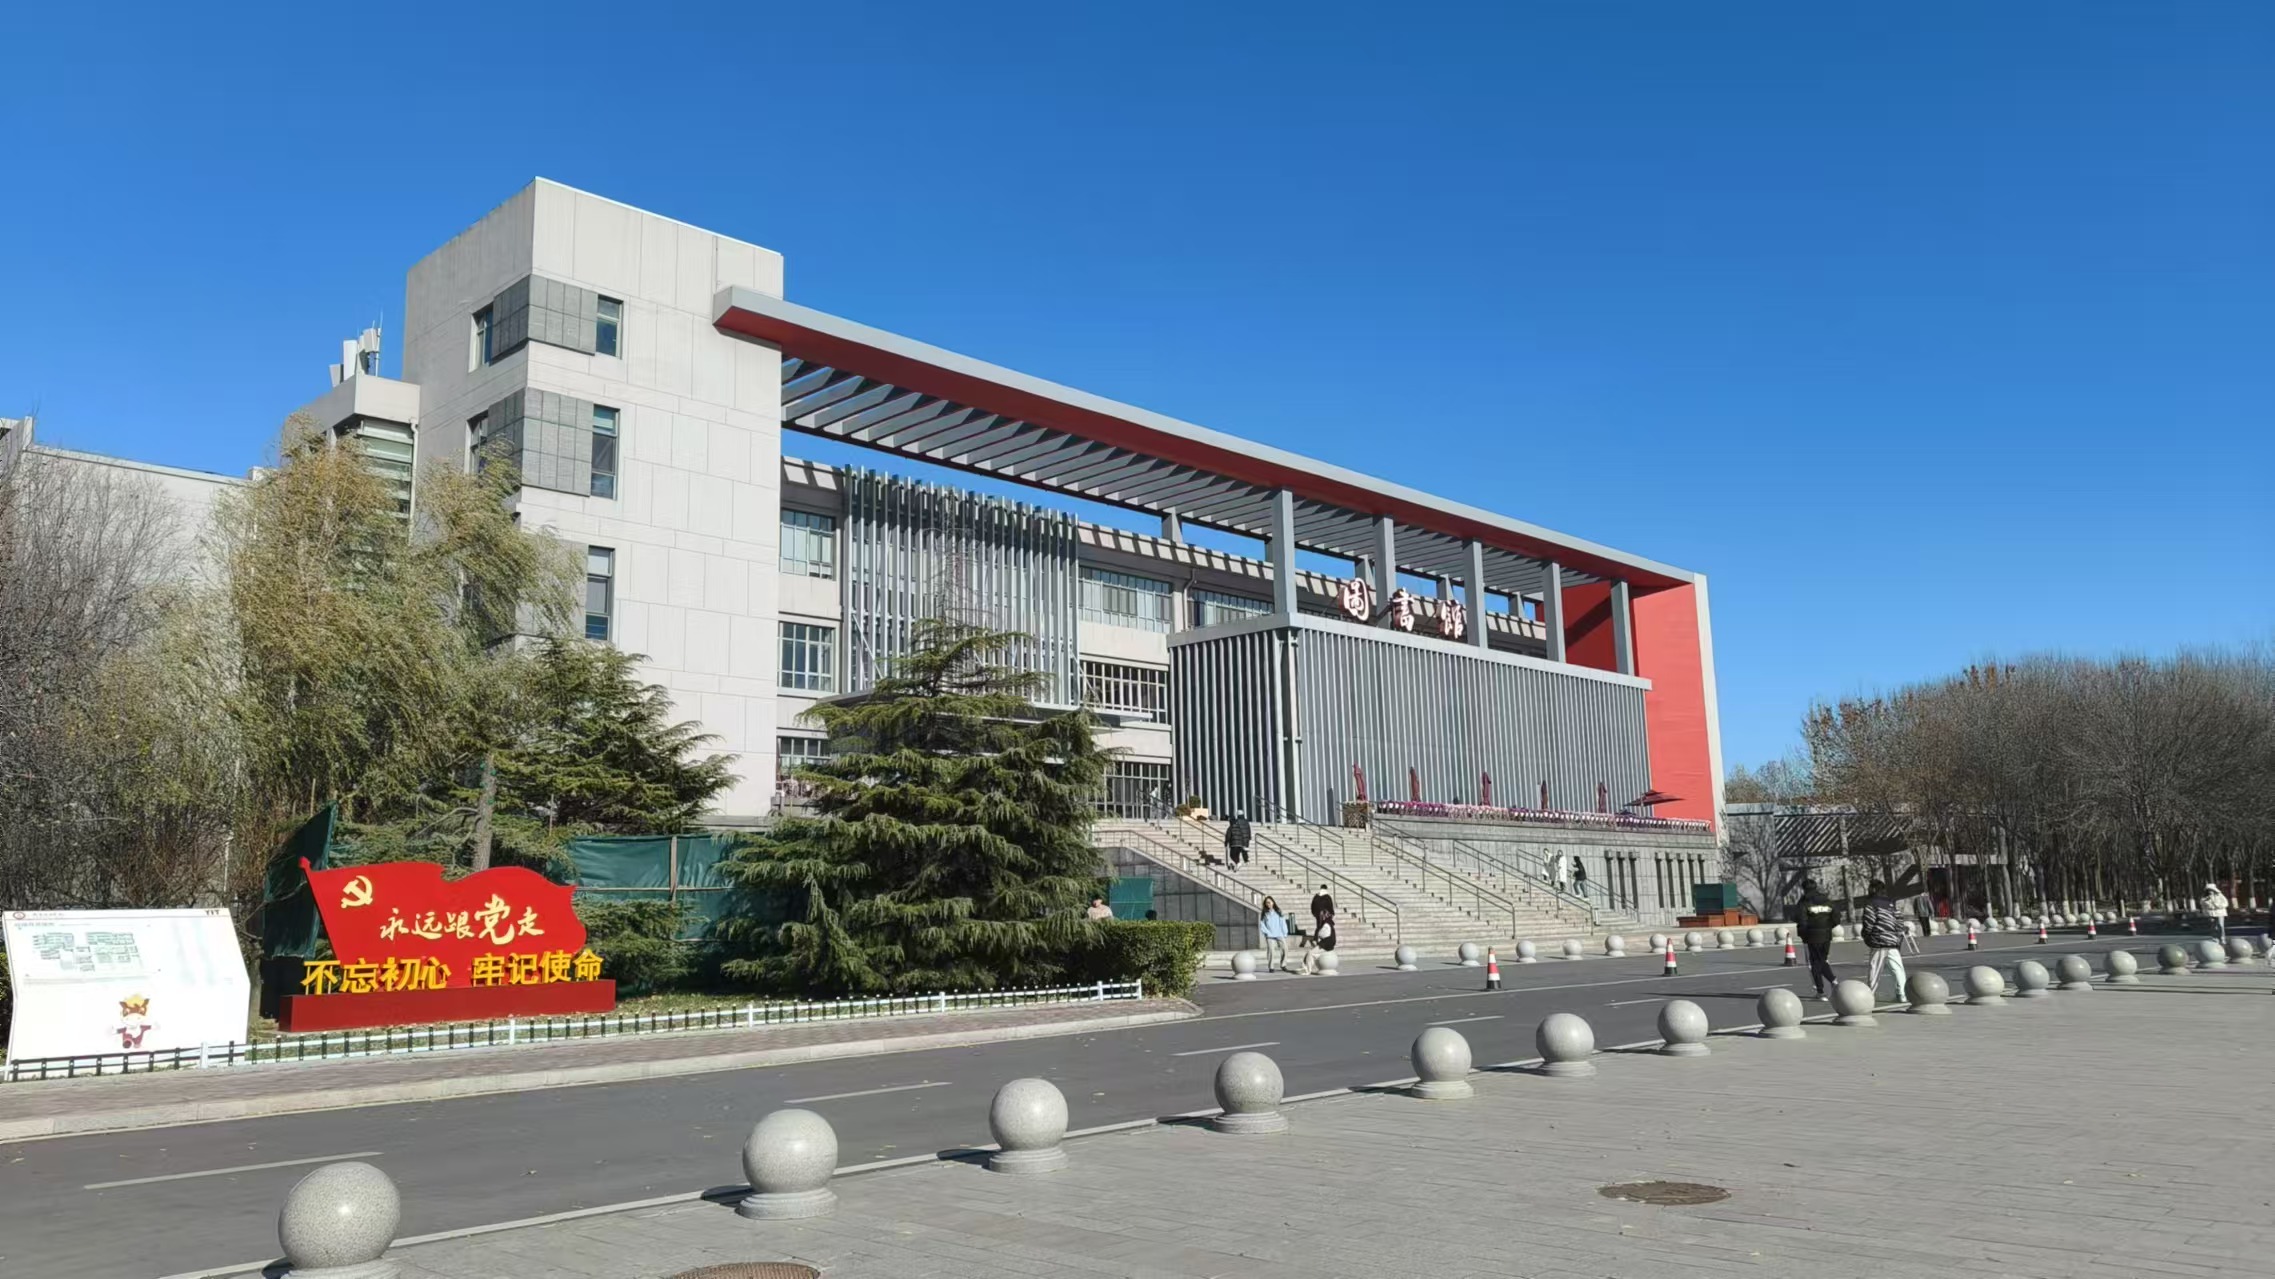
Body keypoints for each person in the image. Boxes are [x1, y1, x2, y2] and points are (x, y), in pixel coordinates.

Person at [1861, 880, 1908, 1001]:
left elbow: (1869, 922)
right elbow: (1899, 920)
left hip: (1879, 939)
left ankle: (1870, 995)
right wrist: (1898, 935)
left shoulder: (1871, 903)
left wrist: (1866, 936)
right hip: (1892, 940)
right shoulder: (1890, 903)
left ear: (1873, 889)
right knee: (1897, 968)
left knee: (1875, 969)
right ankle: (1902, 993)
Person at [1793, 878, 1840, 998]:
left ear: (1804, 889)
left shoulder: (1804, 902)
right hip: (1826, 936)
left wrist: (1804, 935)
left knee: (1815, 963)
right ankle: (1833, 982)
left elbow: (1800, 919)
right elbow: (1836, 918)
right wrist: (1827, 927)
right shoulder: (1827, 901)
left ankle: (1821, 991)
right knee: (1822, 960)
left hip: (1812, 936)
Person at [1258, 896, 1290, 972]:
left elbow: (1283, 922)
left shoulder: (1278, 911)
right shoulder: (1264, 913)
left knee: (1285, 949)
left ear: (1273, 902)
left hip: (1279, 933)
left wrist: (1284, 932)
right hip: (1270, 935)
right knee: (1271, 951)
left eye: (1269, 902)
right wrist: (1267, 933)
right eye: (1267, 903)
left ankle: (1283, 965)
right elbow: (1262, 924)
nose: (1268, 904)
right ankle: (1271, 967)